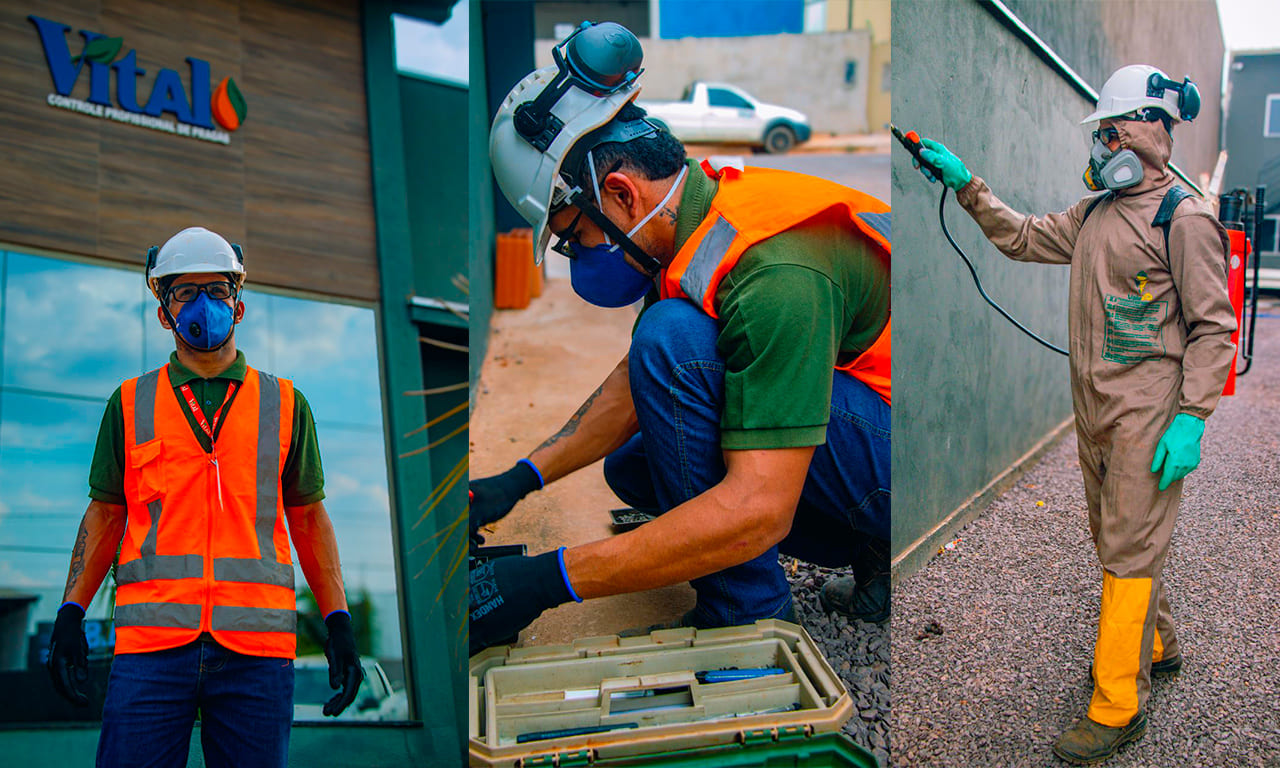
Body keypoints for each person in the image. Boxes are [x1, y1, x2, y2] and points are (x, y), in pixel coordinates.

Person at [469, 22, 891, 654]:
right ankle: (867, 550)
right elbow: (634, 386)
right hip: (858, 421)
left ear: (618, 192)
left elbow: (760, 508)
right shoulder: (690, 221)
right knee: (637, 465)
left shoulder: (775, 269)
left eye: (572, 234)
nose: (576, 254)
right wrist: (518, 481)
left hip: (904, 454)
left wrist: (547, 580)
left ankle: (749, 619)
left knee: (671, 343)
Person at [915, 65, 1235, 764]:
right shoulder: (1093, 215)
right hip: (1094, 410)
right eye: (1101, 133)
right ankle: (1159, 643)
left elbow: (1215, 327)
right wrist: (967, 186)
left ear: (1147, 132)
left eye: (1110, 131)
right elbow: (1023, 236)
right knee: (1117, 537)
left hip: (1149, 415)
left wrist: (1193, 418)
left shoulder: (1182, 219)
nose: (1100, 144)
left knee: (1125, 548)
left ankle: (1119, 705)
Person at [45, 227, 364, 768]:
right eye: (185, 292)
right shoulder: (128, 403)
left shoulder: (285, 403)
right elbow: (106, 514)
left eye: (216, 290)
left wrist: (338, 620)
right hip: (150, 648)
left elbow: (308, 519)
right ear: (164, 311)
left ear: (239, 304)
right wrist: (70, 612)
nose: (203, 305)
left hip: (257, 655)